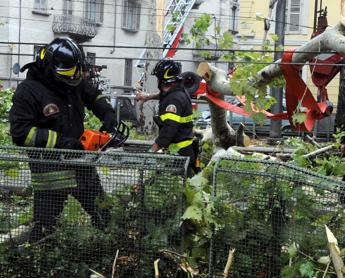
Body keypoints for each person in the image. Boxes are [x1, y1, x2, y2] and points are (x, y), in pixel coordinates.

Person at [9, 37, 117, 242]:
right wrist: (62, 143)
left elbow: (93, 95)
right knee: (45, 232)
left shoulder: (71, 80)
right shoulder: (29, 91)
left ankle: (112, 250)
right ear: (51, 68)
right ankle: (38, 264)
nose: (73, 80)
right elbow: (20, 133)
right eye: (68, 76)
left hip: (82, 167)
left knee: (106, 217)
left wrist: (107, 112)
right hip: (51, 175)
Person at [136, 58, 198, 177]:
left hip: (179, 155)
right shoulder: (178, 91)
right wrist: (147, 97)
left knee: (171, 187)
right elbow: (165, 95)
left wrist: (153, 149)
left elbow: (169, 129)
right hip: (183, 152)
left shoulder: (174, 100)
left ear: (162, 80)